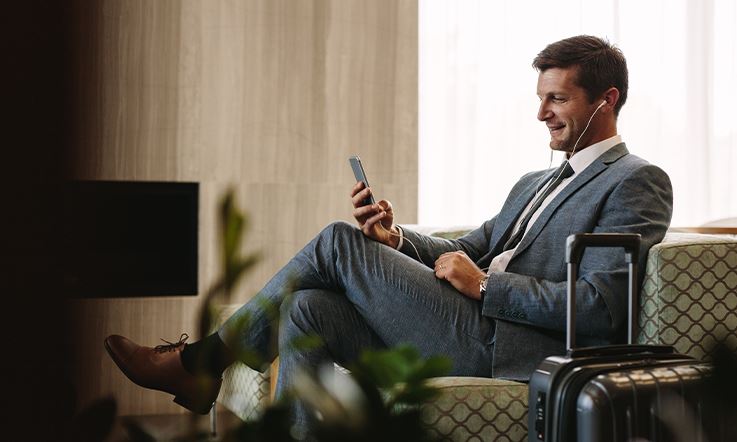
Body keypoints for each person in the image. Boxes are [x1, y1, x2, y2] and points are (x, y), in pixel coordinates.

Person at [105, 35, 672, 427]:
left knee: (333, 242)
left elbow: (601, 307)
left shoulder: (635, 180)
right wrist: (397, 241)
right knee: (306, 309)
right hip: (463, 320)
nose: (542, 113)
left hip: (503, 344)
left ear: (607, 100)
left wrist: (485, 289)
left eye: (557, 98)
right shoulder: (533, 181)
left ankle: (199, 364)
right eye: (540, 98)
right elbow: (466, 251)